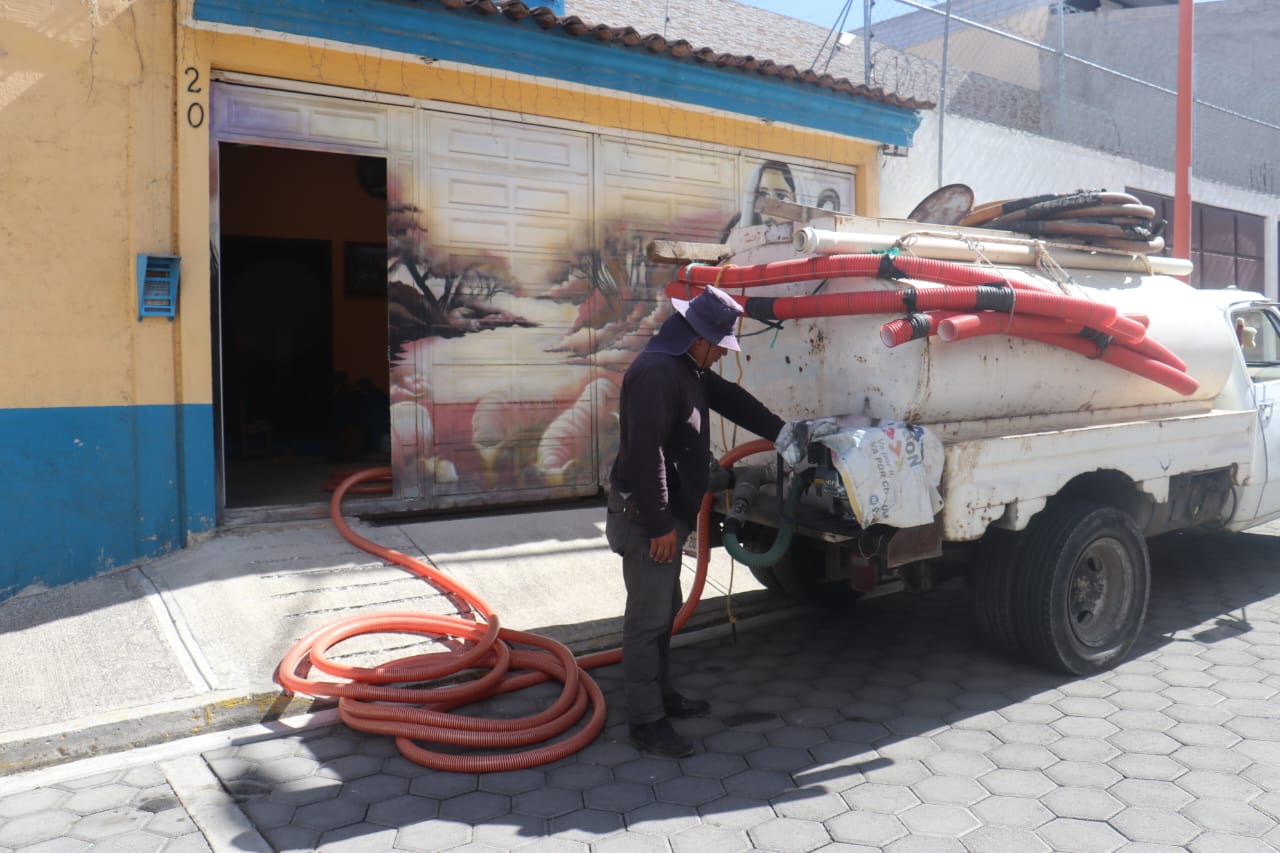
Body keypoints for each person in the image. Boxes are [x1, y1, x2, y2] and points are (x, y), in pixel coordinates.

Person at [606, 285, 785, 758]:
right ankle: (646, 723)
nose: (722, 357)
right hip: (645, 514)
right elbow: (646, 457)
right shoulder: (656, 374)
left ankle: (661, 697)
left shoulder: (687, 368)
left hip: (664, 512)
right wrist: (660, 523)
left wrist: (786, 434)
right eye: (720, 347)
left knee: (665, 607)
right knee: (647, 620)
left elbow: (736, 401)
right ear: (700, 339)